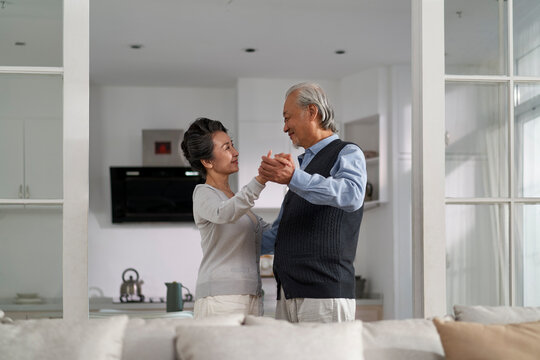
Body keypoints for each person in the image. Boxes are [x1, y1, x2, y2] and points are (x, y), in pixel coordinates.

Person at [259, 82, 367, 323]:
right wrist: (230, 235)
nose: (284, 127)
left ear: (311, 112)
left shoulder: (347, 152)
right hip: (288, 294)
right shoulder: (303, 169)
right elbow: (279, 234)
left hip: (324, 295)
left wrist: (294, 177)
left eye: (288, 118)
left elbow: (352, 194)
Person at [181, 117, 271, 319]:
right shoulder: (204, 194)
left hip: (252, 295)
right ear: (208, 161)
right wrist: (260, 180)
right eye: (227, 148)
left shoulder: (237, 202)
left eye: (233, 145)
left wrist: (296, 195)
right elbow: (224, 213)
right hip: (220, 298)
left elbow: (269, 237)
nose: (236, 152)